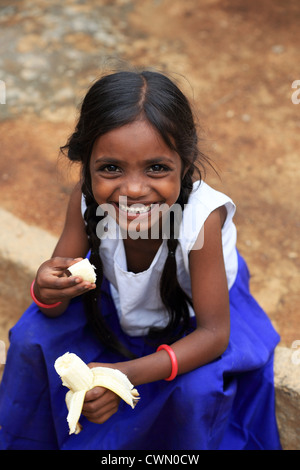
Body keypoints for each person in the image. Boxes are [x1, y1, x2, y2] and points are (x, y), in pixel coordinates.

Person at [0, 70, 281, 450]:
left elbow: (215, 337)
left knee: (196, 393)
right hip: (115, 305)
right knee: (31, 337)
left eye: (157, 168)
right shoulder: (86, 202)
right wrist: (48, 289)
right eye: (111, 168)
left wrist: (122, 376)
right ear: (86, 164)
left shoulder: (202, 221)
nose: (133, 189)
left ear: (186, 160)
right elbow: (52, 308)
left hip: (197, 317)